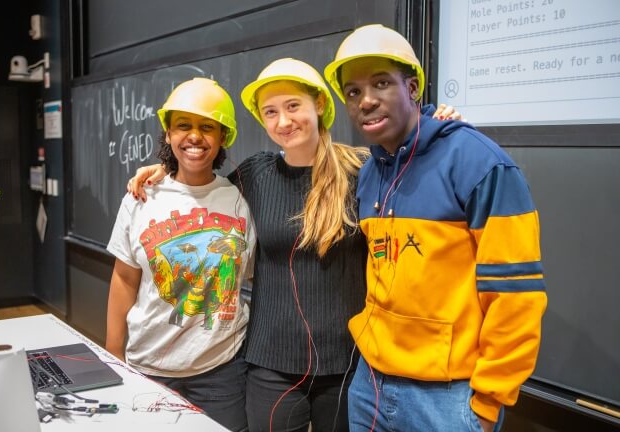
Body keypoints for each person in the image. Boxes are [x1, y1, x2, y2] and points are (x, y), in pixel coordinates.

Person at [127, 61, 459, 432]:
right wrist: (162, 170)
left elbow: (416, 173)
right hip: (270, 364)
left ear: (318, 104)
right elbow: (200, 187)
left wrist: (435, 127)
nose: (283, 121)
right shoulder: (254, 175)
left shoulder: (362, 170)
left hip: (348, 363)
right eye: (271, 112)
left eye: (293, 106)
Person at [322, 24, 548, 432]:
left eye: (380, 83)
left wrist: (487, 405)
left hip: (447, 400)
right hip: (369, 385)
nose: (366, 101)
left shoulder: (479, 163)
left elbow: (516, 297)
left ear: (412, 88)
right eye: (353, 92)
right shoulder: (371, 171)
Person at [105, 77, 256, 432]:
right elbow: (124, 279)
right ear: (169, 134)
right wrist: (112, 355)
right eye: (183, 126)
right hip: (149, 365)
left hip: (223, 369)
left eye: (207, 127)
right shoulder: (142, 197)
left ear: (222, 138)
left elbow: (254, 274)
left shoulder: (240, 197)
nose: (194, 136)